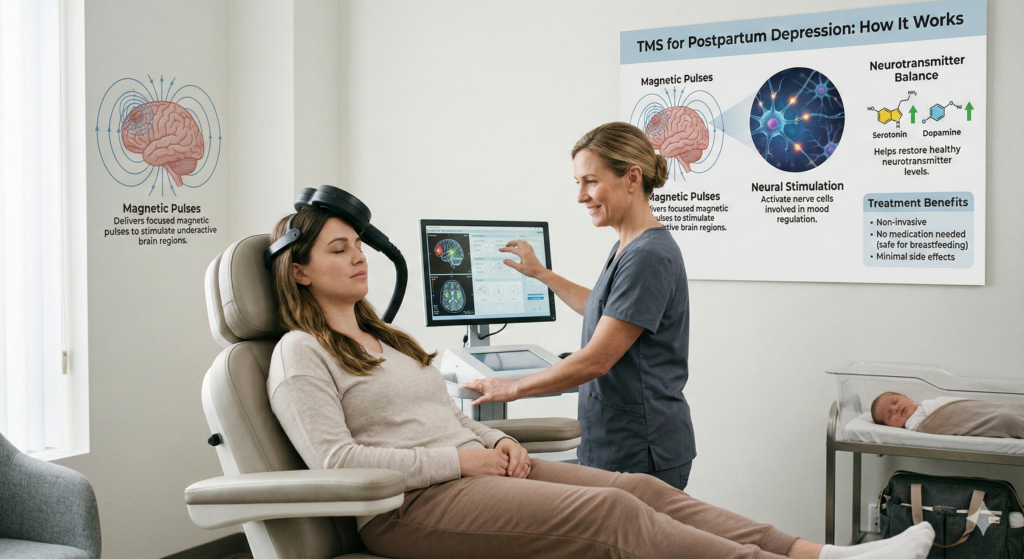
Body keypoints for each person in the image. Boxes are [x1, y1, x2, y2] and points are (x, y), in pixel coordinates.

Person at [264, 206, 936, 559]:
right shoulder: (299, 354)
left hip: (468, 473)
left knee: (638, 488)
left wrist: (492, 445)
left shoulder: (387, 338)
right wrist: (461, 458)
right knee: (612, 516)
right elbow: (338, 461)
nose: (358, 258)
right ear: (299, 270)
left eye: (359, 245)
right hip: (406, 507)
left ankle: (822, 552)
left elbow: (447, 415)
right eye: (338, 248)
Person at [461, 122, 695, 489]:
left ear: (632, 178)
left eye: (590, 181)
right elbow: (607, 311)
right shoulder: (627, 246)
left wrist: (513, 388)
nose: (581, 197)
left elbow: (596, 360)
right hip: (614, 442)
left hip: (641, 449)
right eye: (578, 184)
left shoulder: (647, 255)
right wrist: (541, 274)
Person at [871, 392, 1024, 438]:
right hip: (973, 419)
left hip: (975, 408)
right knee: (1005, 418)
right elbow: (932, 425)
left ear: (907, 396)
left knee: (1007, 409)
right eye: (890, 415)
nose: (896, 409)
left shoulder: (925, 403)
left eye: (895, 401)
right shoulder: (913, 423)